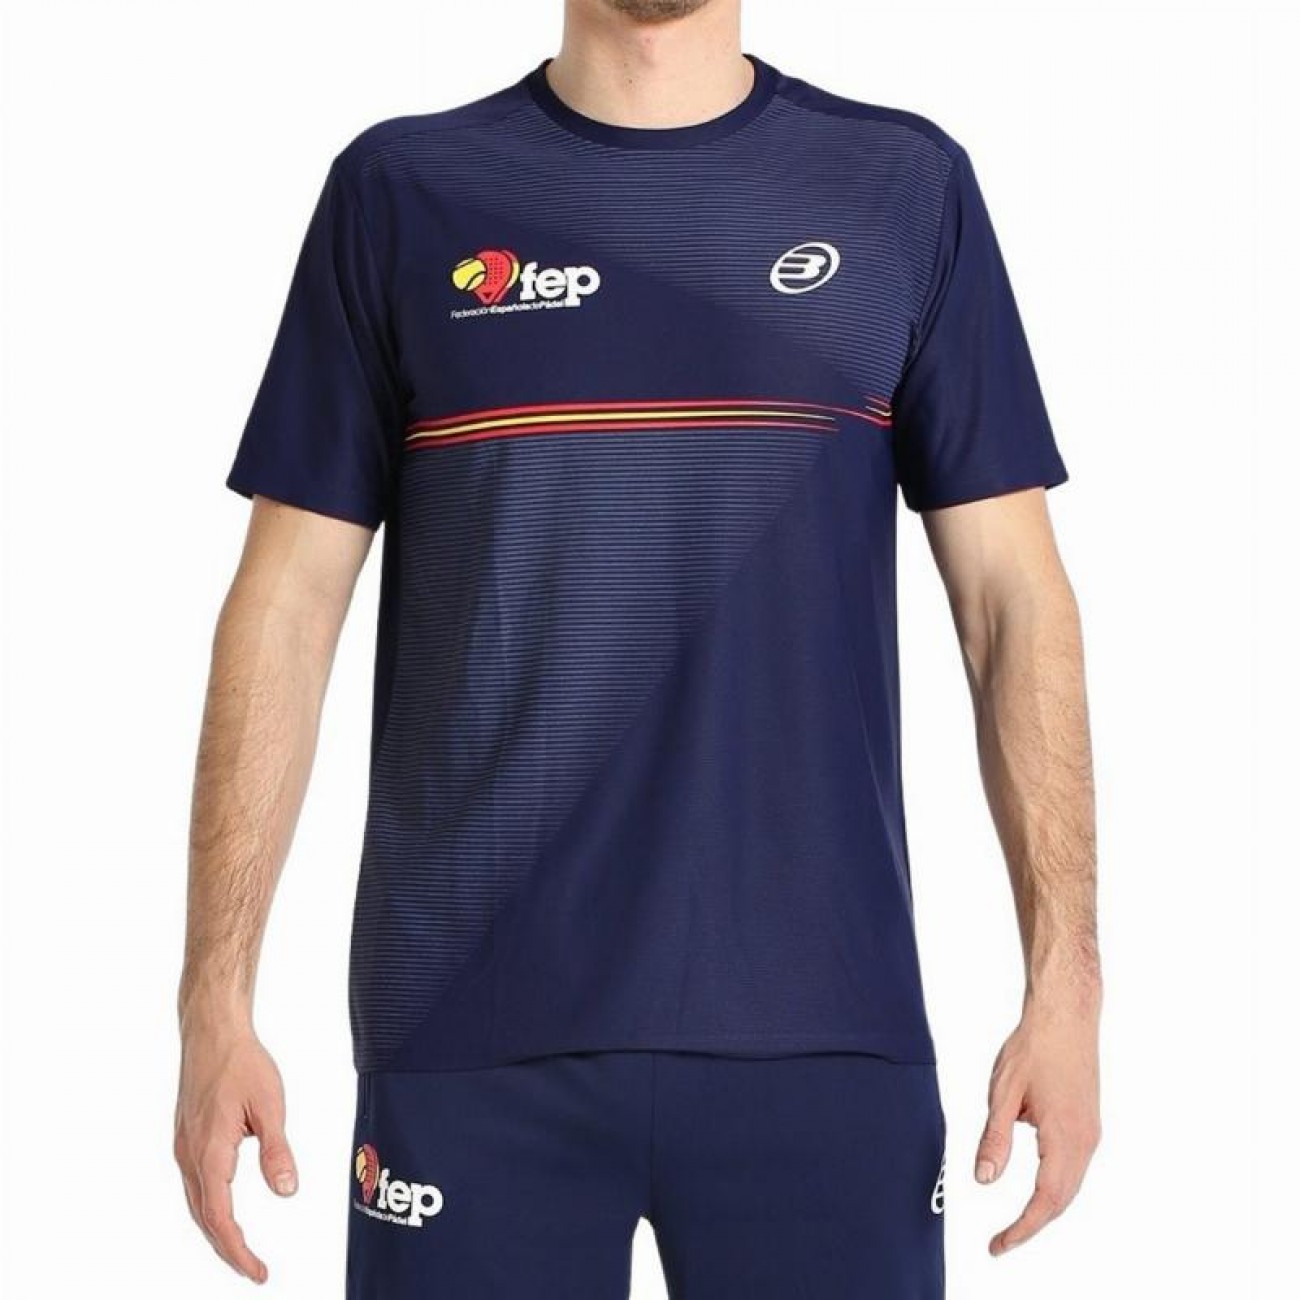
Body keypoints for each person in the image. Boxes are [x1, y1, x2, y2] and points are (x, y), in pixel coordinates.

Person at [173, 1, 1102, 1295]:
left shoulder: (902, 187)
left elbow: (1014, 603)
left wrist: (1069, 987)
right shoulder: (402, 191)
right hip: (469, 1029)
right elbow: (284, 607)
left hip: (822, 1022)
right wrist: (213, 1001)